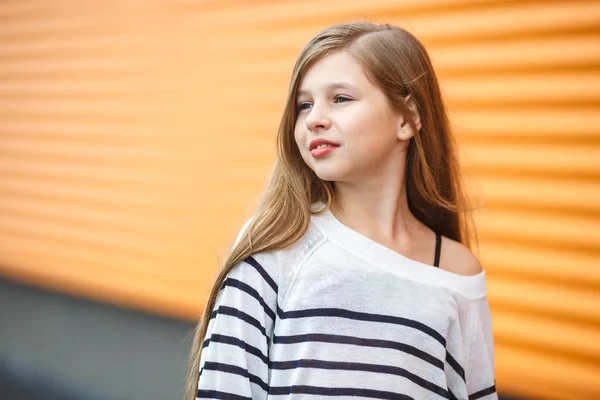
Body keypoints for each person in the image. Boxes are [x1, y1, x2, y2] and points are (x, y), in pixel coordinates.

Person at [185, 21, 497, 400]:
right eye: (304, 104)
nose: (314, 118)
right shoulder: (276, 247)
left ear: (407, 118)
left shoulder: (457, 273)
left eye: (341, 99)